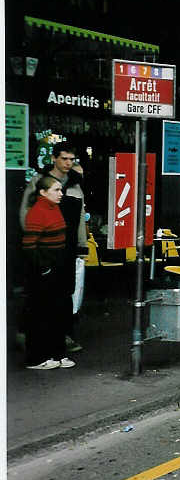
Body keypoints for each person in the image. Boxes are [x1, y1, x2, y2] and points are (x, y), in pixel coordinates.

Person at [19, 142, 88, 353]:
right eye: (64, 158)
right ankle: (32, 336)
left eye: (71, 159)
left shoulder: (76, 184)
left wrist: (82, 245)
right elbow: (26, 213)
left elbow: (80, 216)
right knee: (40, 293)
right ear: (54, 158)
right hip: (45, 246)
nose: (68, 163)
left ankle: (63, 335)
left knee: (66, 293)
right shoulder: (39, 182)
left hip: (67, 247)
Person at [21, 176, 76, 369]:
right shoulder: (37, 213)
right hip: (44, 270)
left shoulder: (54, 208)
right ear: (43, 193)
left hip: (57, 267)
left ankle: (57, 353)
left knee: (57, 313)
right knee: (40, 314)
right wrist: (44, 268)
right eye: (56, 190)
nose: (61, 194)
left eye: (61, 190)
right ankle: (37, 358)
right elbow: (29, 246)